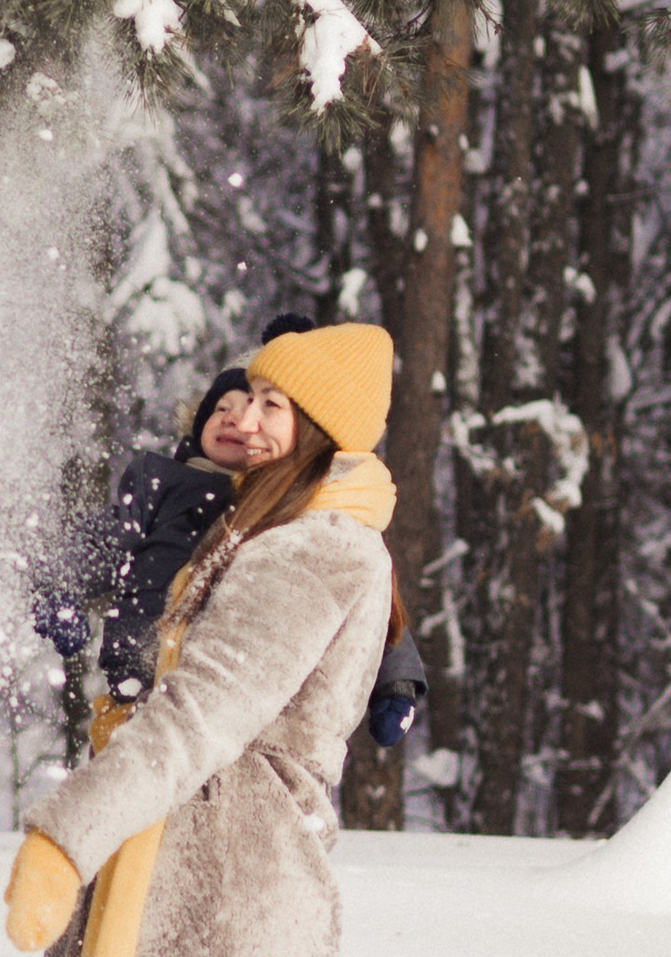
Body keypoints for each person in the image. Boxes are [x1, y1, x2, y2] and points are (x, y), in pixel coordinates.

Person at [4, 317, 400, 957]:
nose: (249, 416)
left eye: (275, 403)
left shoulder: (312, 549)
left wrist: (66, 833)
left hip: (224, 897)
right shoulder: (259, 531)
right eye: (247, 396)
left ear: (323, 429)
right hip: (206, 891)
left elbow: (197, 716)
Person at [33, 314, 427, 735]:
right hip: (132, 696)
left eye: (259, 409)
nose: (237, 420)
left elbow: (359, 598)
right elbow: (105, 539)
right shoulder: (159, 484)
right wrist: (60, 586)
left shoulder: (290, 509)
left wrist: (397, 680)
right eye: (222, 408)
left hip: (220, 697)